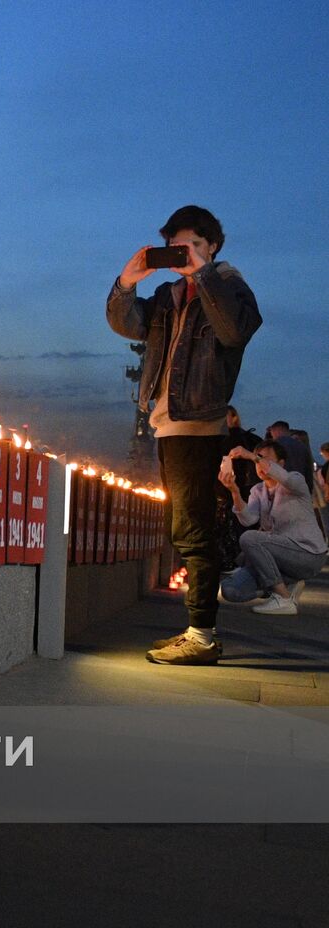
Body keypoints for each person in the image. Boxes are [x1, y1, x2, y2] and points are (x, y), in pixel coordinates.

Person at [107, 205, 261, 665]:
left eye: (194, 244)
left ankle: (203, 635)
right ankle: (198, 631)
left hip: (199, 423)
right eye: (178, 246)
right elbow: (125, 323)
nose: (186, 253)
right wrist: (126, 281)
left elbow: (234, 332)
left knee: (193, 530)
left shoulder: (230, 287)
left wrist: (205, 277)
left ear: (212, 245)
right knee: (183, 526)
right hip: (168, 423)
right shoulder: (170, 296)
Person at [218, 440, 327, 614]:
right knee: (230, 590)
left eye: (263, 459)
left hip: (307, 554)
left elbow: (284, 477)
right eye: (256, 462)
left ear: (281, 463)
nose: (259, 465)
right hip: (278, 559)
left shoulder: (295, 480)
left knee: (250, 538)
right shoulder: (258, 490)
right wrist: (234, 491)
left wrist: (252, 455)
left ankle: (283, 598)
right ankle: (287, 585)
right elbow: (247, 519)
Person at [215, 406, 260, 570]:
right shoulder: (252, 439)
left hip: (231, 490)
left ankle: (231, 563)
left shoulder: (225, 440)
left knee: (231, 529)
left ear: (234, 417)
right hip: (248, 491)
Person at [266, 421, 316, 491]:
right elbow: (308, 470)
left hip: (280, 489)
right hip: (301, 489)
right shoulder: (302, 446)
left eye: (271, 433)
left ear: (275, 431)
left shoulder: (272, 447)